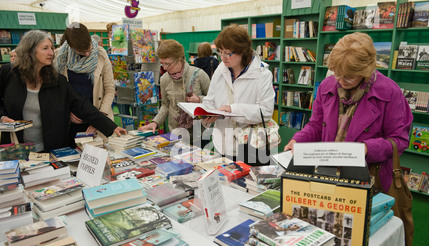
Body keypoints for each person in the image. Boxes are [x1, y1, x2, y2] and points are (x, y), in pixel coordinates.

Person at [284, 32, 413, 193]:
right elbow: (316, 125)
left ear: (365, 71)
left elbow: (399, 140)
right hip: (327, 172)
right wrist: (298, 140)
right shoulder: (327, 86)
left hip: (368, 176)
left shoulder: (390, 93)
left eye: (349, 78)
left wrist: (366, 149)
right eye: (337, 74)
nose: (341, 81)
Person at [0, 30, 126, 152]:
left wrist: (110, 126)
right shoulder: (9, 73)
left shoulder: (56, 80)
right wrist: (3, 117)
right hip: (16, 147)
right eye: (45, 48)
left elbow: (81, 104)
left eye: (51, 47)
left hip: (50, 148)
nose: (51, 52)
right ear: (30, 51)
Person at [201, 24, 275, 162]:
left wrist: (232, 109)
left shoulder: (262, 74)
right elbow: (210, 99)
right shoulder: (220, 70)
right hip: (221, 144)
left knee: (249, 183)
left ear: (242, 51)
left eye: (227, 53)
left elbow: (265, 111)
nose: (223, 57)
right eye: (220, 52)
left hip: (251, 146)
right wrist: (207, 114)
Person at [138, 39, 210, 145]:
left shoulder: (199, 75)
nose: (165, 68)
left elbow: (214, 102)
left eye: (168, 64)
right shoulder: (164, 79)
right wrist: (155, 122)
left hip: (199, 135)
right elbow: (165, 106)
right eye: (162, 64)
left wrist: (200, 100)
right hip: (175, 135)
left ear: (179, 59)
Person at [54, 22, 115, 147]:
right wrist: (68, 112)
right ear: (71, 46)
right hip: (72, 122)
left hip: (98, 115)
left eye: (88, 49)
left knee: (100, 156)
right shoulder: (59, 57)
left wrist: (99, 118)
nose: (87, 54)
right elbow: (57, 92)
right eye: (81, 51)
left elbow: (109, 89)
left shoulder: (101, 55)